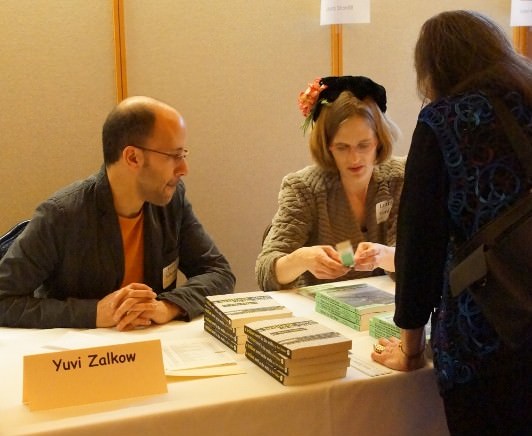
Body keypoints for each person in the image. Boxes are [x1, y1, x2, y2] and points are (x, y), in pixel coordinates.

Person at [371, 11, 532, 435]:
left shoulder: (444, 120)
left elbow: (419, 242)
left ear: (433, 68)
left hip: (486, 336)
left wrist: (410, 345)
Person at [0, 96, 235, 330]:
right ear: (133, 157)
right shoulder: (60, 216)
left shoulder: (171, 202)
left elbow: (219, 273)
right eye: (174, 156)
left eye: (184, 155)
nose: (184, 169)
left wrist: (167, 306)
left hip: (153, 351)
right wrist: (93, 313)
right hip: (78, 359)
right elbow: (4, 300)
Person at [256, 76, 405, 291]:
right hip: (319, 311)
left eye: (364, 145)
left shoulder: (400, 179)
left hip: (385, 308)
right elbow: (264, 271)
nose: (355, 158)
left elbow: (419, 260)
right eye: (342, 147)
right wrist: (302, 259)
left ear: (380, 140)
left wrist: (384, 256)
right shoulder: (303, 188)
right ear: (327, 146)